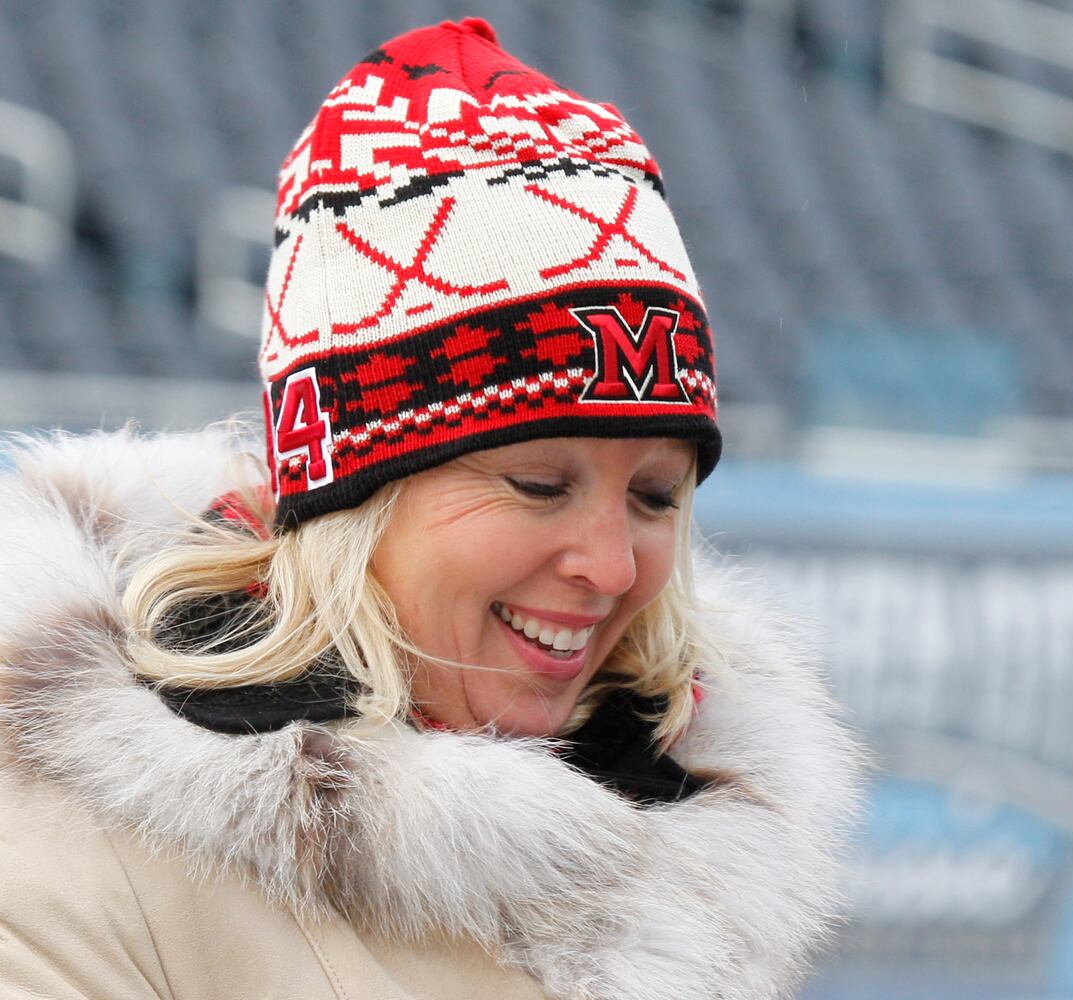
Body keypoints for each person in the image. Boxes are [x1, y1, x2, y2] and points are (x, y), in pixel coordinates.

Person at [0, 18, 860, 1000]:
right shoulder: (69, 839)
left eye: (655, 495)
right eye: (540, 485)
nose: (613, 565)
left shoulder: (674, 824)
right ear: (352, 496)